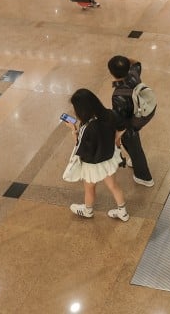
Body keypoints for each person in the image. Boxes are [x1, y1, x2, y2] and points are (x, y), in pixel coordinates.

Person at [63, 88, 129, 221]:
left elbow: (80, 149)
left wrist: (73, 131)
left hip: (92, 165)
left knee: (89, 189)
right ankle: (123, 212)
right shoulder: (109, 114)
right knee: (114, 186)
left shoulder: (86, 127)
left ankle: (88, 210)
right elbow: (123, 127)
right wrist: (114, 140)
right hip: (108, 159)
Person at [108, 55, 154, 188]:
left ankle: (144, 177)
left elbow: (121, 119)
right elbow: (137, 62)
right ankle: (134, 161)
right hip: (142, 111)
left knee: (133, 146)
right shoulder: (133, 74)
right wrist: (126, 60)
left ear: (111, 72)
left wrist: (117, 136)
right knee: (133, 146)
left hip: (132, 121)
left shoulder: (118, 95)